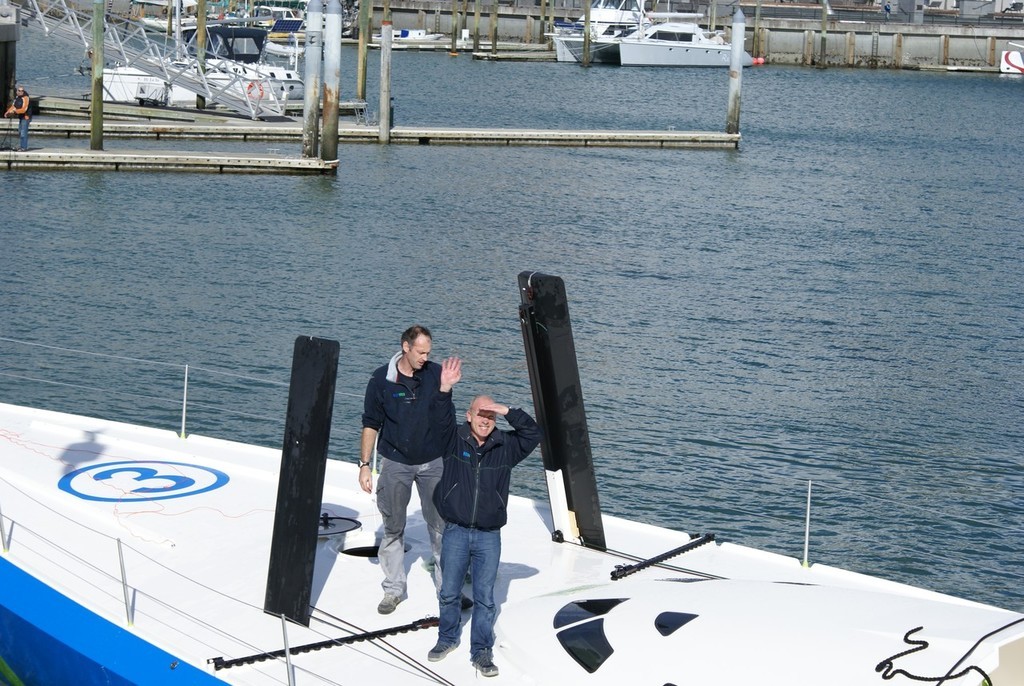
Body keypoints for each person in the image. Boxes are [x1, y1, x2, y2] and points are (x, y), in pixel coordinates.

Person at [427, 395, 542, 678]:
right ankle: (447, 637)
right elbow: (437, 419)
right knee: (449, 592)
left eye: (491, 417)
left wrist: (506, 410)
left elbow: (534, 432)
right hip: (455, 530)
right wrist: (444, 390)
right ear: (468, 416)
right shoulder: (453, 439)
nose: (485, 420)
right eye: (481, 414)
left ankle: (481, 651)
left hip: (489, 535)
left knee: (485, 598)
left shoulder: (506, 446)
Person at [360, 325, 468, 615]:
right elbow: (371, 423)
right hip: (395, 463)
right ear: (405, 347)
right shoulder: (381, 380)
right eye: (421, 352)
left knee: (442, 528)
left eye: (428, 352)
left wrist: (446, 388)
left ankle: (449, 592)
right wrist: (365, 465)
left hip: (434, 462)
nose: (425, 357)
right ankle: (394, 589)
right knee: (393, 527)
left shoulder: (436, 374)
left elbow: (447, 420)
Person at [4, 84, 31, 152]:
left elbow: (24, 109)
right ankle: (21, 146)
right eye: (18, 90)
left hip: (26, 117)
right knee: (20, 131)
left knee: (23, 133)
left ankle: (24, 148)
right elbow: (14, 106)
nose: (20, 92)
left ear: (23, 91)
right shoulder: (17, 98)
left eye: (21, 91)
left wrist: (15, 112)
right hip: (21, 117)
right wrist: (8, 112)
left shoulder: (26, 98)